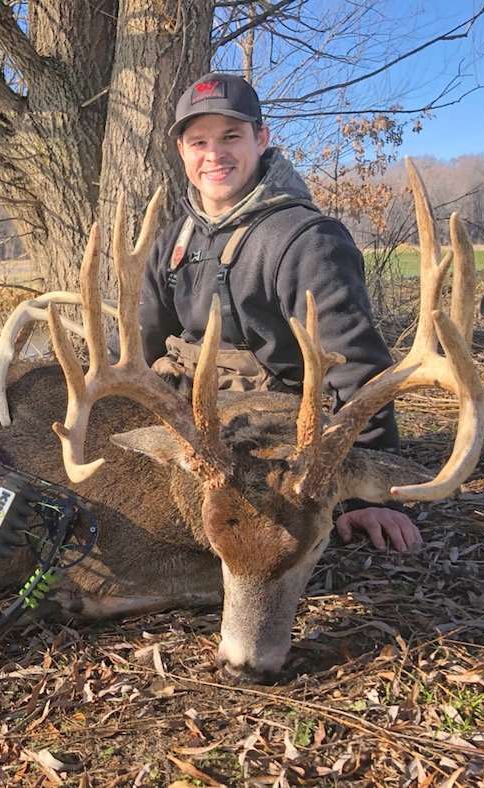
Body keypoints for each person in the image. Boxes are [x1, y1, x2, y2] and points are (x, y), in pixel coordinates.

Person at [139, 72, 422, 553]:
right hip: (192, 425)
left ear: (261, 138)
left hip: (271, 441)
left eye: (231, 137)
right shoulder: (173, 240)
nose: (214, 154)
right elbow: (144, 343)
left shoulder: (306, 239)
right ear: (182, 152)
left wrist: (371, 489)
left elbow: (354, 363)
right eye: (198, 141)